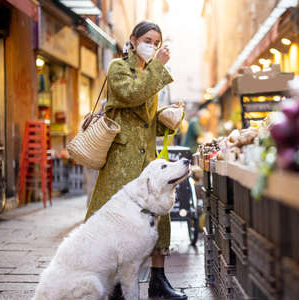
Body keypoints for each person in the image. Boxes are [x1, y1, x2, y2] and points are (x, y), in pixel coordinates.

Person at [85, 21, 187, 300]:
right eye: (147, 40)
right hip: (122, 159)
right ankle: (116, 285)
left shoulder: (150, 74)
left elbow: (146, 121)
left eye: (157, 42)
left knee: (157, 217)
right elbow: (131, 95)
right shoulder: (119, 68)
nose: (152, 46)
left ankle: (158, 282)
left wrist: (167, 122)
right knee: (119, 220)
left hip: (148, 162)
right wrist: (159, 67)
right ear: (132, 40)